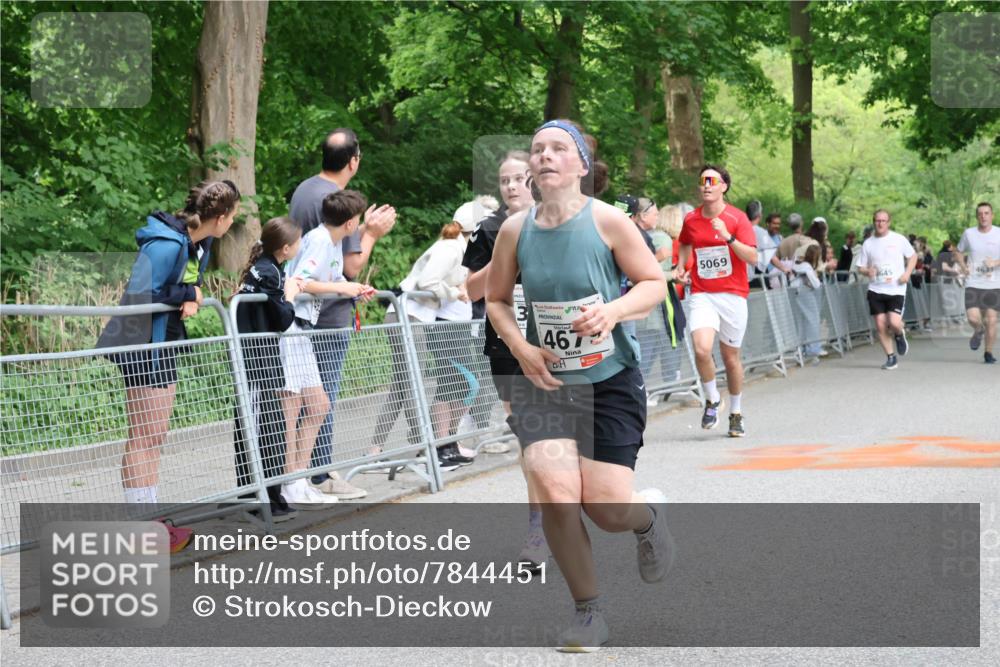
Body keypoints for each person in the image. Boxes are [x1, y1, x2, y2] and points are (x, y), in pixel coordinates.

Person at [486, 119, 674, 652]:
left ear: (581, 166)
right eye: (537, 149)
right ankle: (589, 612)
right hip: (543, 382)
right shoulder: (514, 230)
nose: (544, 156)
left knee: (608, 508)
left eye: (558, 148)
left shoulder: (610, 221)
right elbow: (497, 300)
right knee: (555, 493)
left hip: (609, 380)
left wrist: (611, 312)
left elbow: (654, 284)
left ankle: (647, 518)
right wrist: (522, 349)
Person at [98, 180, 241, 551]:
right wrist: (188, 294)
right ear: (221, 217)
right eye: (234, 217)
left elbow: (184, 283)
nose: (233, 225)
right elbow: (141, 291)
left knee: (154, 436)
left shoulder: (198, 244)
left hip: (165, 341)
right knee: (144, 437)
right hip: (143, 342)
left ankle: (151, 522)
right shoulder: (166, 244)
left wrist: (190, 294)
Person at [288, 128, 396, 499]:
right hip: (327, 312)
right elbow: (350, 267)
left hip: (304, 314)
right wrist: (372, 233)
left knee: (304, 396)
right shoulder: (337, 199)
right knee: (323, 397)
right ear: (354, 161)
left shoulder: (305, 190)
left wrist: (361, 228)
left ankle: (301, 476)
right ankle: (320, 474)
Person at [462, 150, 552, 571]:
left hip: (558, 342)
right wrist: (503, 253)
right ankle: (539, 528)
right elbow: (472, 292)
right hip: (507, 346)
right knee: (531, 441)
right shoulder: (488, 229)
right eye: (505, 181)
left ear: (535, 179)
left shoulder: (559, 220)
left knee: (562, 439)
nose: (513, 186)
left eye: (520, 178)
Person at [281, 190, 376, 507]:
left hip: (305, 329)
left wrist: (356, 289)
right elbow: (299, 281)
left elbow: (336, 278)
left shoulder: (331, 243)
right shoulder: (321, 240)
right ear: (351, 223)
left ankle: (298, 479)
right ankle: (290, 483)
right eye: (359, 220)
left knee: (318, 406)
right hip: (293, 327)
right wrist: (341, 287)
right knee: (294, 409)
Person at [675, 165, 758, 437]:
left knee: (730, 358)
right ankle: (712, 399)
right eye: (702, 181)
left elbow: (753, 258)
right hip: (703, 293)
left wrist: (728, 237)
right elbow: (685, 243)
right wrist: (682, 266)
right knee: (701, 349)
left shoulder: (737, 218)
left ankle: (736, 411)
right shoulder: (691, 219)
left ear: (724, 186)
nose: (706, 185)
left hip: (733, 295)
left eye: (712, 181)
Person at [395, 214, 481, 469]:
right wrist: (455, 293)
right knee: (450, 383)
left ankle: (445, 444)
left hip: (436, 321)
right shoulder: (451, 248)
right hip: (428, 321)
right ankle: (437, 446)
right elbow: (428, 282)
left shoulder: (461, 249)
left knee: (459, 384)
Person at [233, 217, 304, 522]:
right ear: (286, 248)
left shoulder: (264, 267)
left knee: (263, 428)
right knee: (262, 429)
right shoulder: (270, 274)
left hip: (256, 362)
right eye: (297, 242)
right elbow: (283, 320)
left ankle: (266, 496)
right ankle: (260, 500)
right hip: (256, 363)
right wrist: (290, 295)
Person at [855, 208, 917, 370]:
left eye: (883, 220)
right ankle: (891, 357)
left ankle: (899, 333)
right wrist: (867, 271)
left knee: (894, 322)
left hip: (896, 288)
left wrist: (907, 273)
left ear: (888, 222)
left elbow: (913, 256)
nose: (880, 223)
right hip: (876, 289)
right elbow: (860, 267)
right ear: (873, 221)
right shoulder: (868, 243)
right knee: (881, 325)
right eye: (877, 220)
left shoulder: (898, 239)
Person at [952, 202, 999, 364]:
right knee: (973, 318)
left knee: (992, 320)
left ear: (992, 215)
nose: (983, 216)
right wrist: (964, 267)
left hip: (994, 284)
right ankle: (979, 330)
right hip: (973, 282)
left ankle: (988, 353)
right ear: (977, 216)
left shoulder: (999, 233)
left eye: (986, 213)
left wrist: (996, 263)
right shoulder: (969, 234)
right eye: (980, 214)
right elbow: (958, 251)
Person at [790, 244, 825, 362]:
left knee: (802, 321)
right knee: (813, 320)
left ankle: (803, 347)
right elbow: (816, 284)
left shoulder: (798, 264)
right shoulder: (807, 267)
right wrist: (814, 280)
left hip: (796, 293)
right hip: (805, 293)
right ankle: (814, 348)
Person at [746, 201, 782, 288]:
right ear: (760, 215)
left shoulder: (739, 229)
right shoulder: (760, 232)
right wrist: (784, 268)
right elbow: (771, 257)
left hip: (742, 276)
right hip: (756, 276)